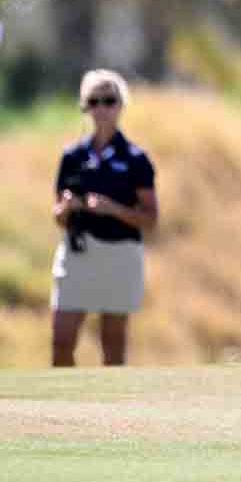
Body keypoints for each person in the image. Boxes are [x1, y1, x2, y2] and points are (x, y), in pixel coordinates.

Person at [50, 69, 159, 366]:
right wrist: (67, 208)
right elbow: (58, 216)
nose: (102, 108)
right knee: (61, 339)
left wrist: (114, 210)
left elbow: (150, 219)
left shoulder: (136, 159)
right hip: (78, 249)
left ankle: (109, 410)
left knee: (112, 342)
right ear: (86, 106)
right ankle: (62, 406)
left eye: (109, 101)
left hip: (119, 253)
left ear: (121, 105)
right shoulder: (72, 155)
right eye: (94, 101)